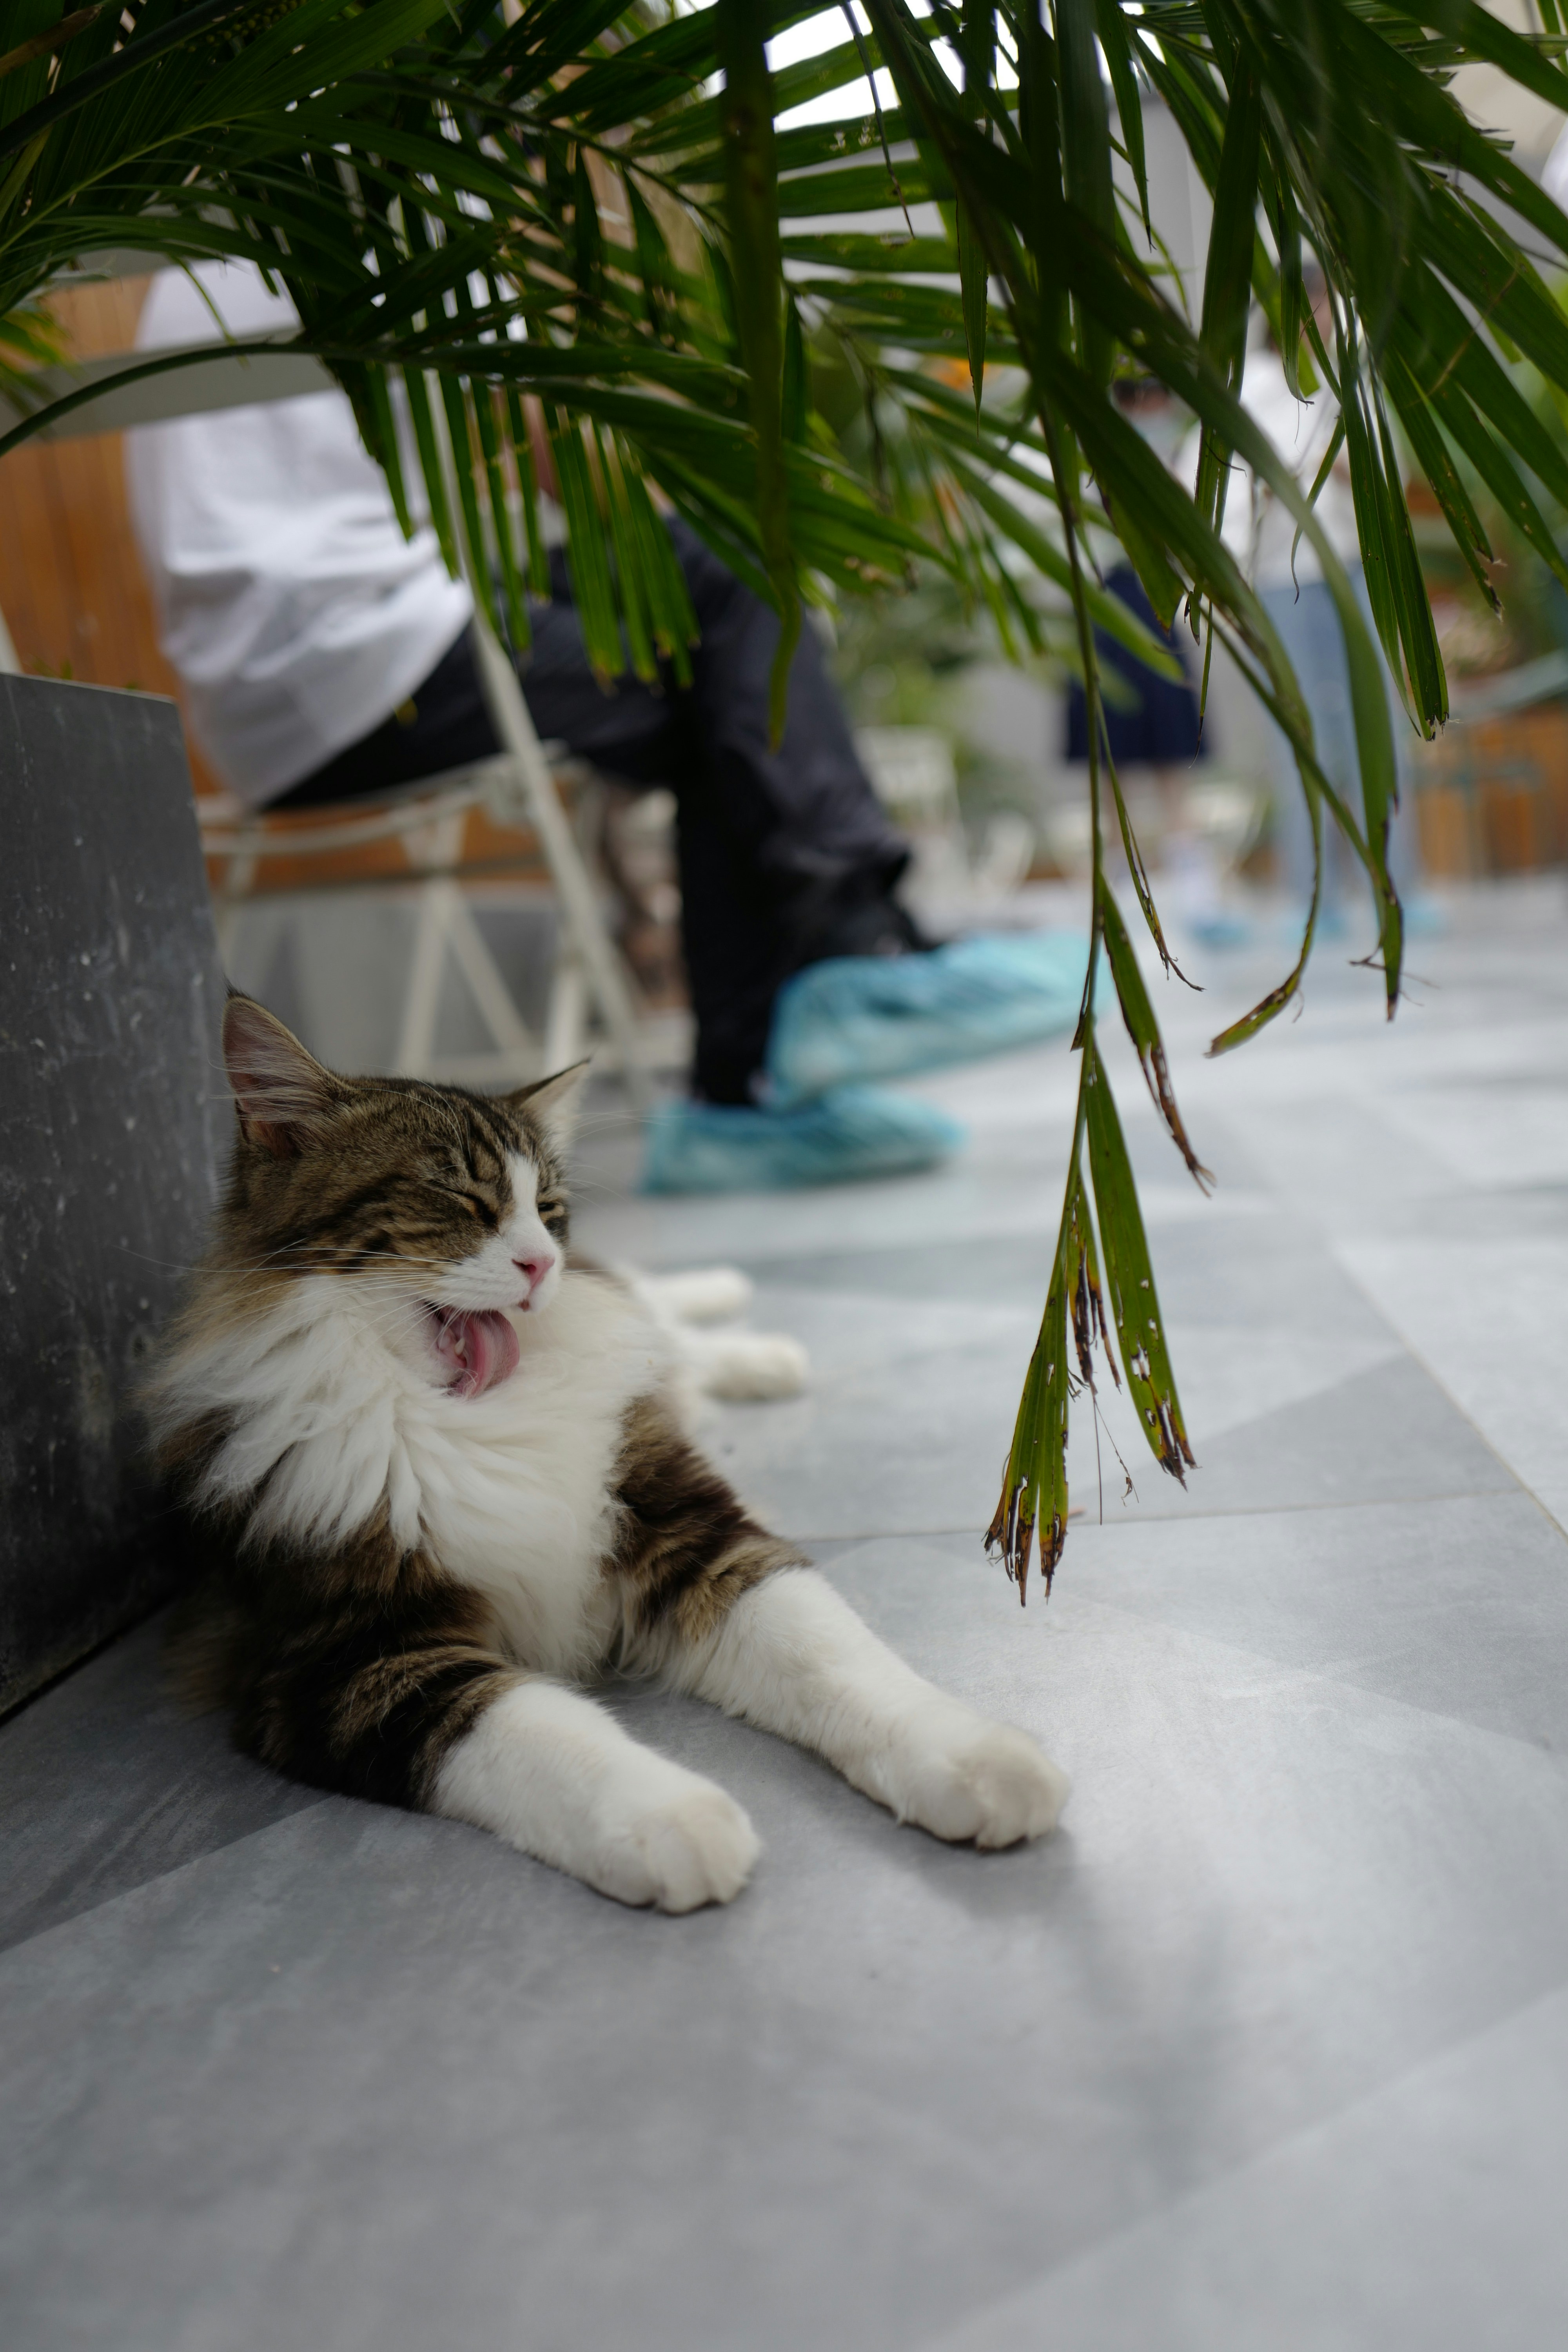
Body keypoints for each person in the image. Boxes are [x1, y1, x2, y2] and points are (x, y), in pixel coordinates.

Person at [126, 261, 1087, 1192]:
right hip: (367, 659)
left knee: (725, 655)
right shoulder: (384, 185)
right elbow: (553, 440)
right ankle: (806, 1005)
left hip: (262, 699)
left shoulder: (215, 229)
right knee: (731, 616)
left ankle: (798, 1013)